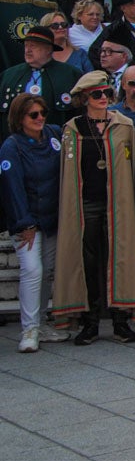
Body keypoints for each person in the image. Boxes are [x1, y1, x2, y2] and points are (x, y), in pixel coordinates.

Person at [53, 72, 135, 345]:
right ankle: (90, 322)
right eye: (96, 94)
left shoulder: (124, 125)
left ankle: (120, 322)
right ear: (84, 99)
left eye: (106, 93)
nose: (103, 98)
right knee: (88, 261)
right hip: (86, 204)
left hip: (119, 203)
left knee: (120, 258)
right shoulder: (72, 129)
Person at [0, 94, 68, 351]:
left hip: (52, 217)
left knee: (47, 270)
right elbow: (12, 187)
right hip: (27, 220)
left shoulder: (53, 135)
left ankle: (40, 323)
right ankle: (29, 329)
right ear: (20, 118)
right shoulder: (12, 146)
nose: (40, 118)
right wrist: (24, 222)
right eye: (33, 115)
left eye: (42, 113)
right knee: (32, 269)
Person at [0, 26, 83, 133]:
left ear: (48, 49)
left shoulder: (71, 74)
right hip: (17, 141)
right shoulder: (9, 75)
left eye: (33, 46)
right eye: (26, 46)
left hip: (56, 139)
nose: (28, 50)